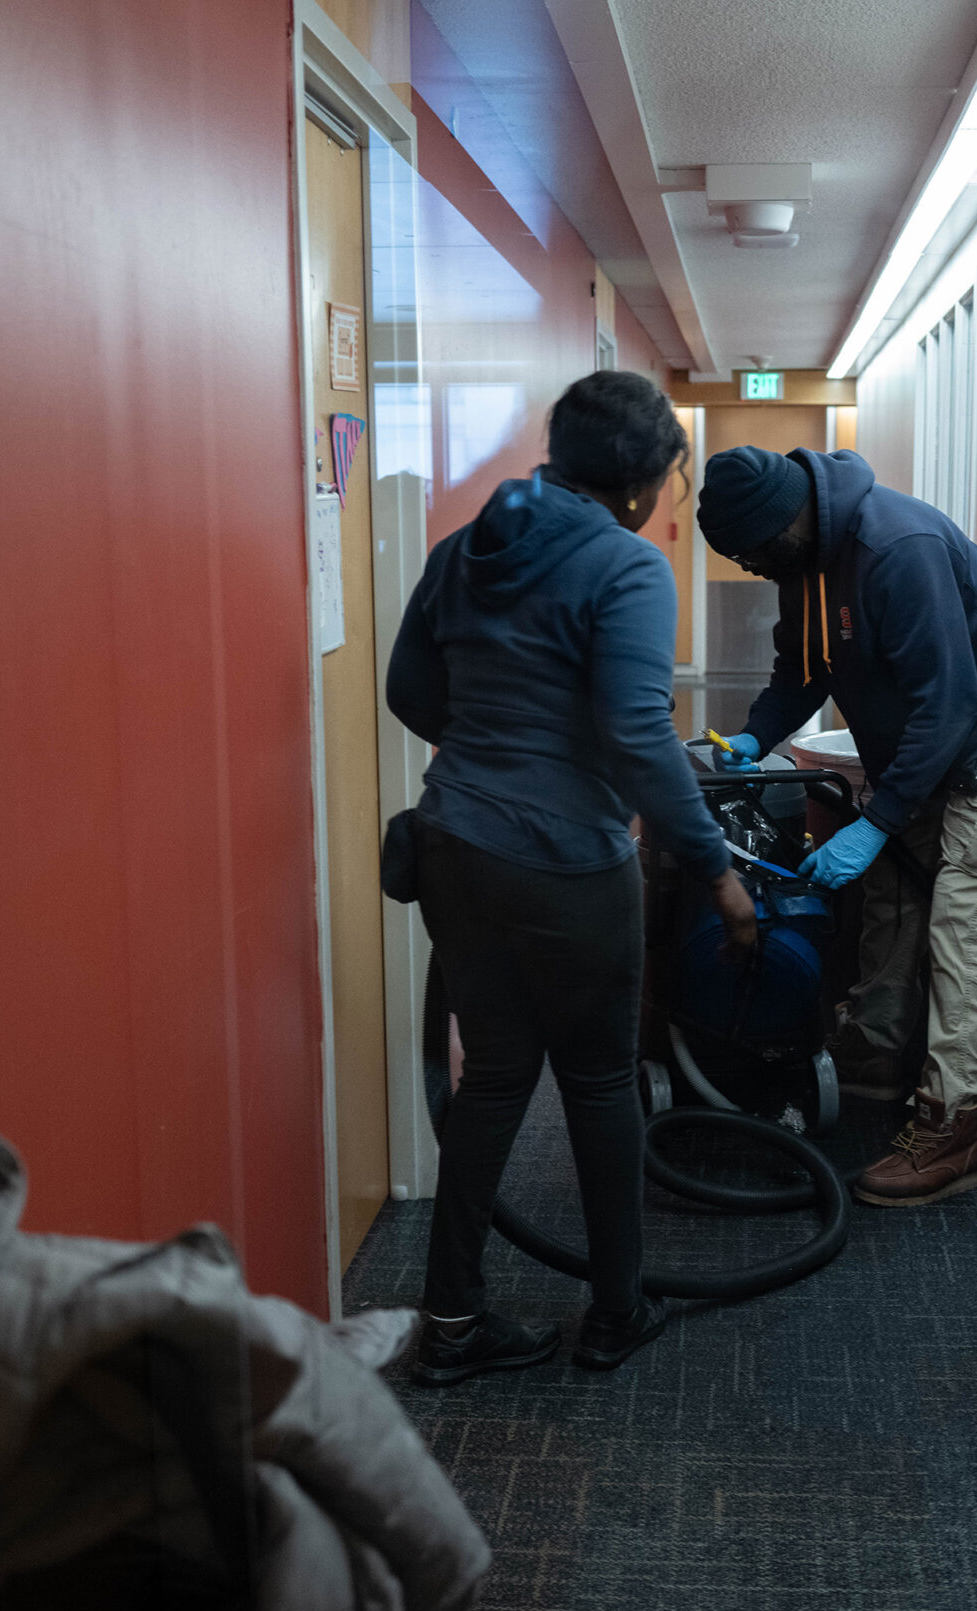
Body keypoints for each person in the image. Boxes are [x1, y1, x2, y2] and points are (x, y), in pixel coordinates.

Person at [385, 371, 757, 1384]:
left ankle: (452, 1324)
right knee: (599, 1081)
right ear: (642, 484)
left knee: (494, 1076)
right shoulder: (628, 570)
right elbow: (640, 737)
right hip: (568, 867)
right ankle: (616, 1310)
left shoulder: (463, 547)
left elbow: (407, 687)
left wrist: (491, 763)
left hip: (453, 842)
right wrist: (716, 873)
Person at [695, 445, 977, 1209]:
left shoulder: (898, 549)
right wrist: (754, 737)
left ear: (788, 522)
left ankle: (952, 1127)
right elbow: (802, 670)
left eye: (757, 554)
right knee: (895, 894)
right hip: (926, 736)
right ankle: (874, 1060)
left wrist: (876, 820)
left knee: (960, 917)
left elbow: (953, 700)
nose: (757, 570)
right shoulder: (803, 558)